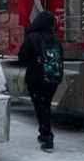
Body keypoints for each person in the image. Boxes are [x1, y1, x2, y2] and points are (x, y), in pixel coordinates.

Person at [19, 11, 63, 152]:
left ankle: (47, 137)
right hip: (53, 77)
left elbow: (22, 57)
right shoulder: (55, 39)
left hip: (36, 77)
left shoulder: (31, 37)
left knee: (40, 107)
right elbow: (62, 56)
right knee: (46, 105)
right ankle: (45, 134)